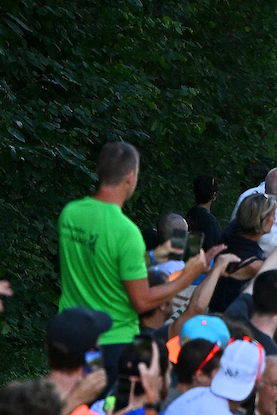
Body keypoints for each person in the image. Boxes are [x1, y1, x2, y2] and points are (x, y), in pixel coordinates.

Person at [58, 144, 211, 345]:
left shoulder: (70, 213)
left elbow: (106, 263)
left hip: (69, 332)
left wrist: (154, 256)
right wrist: (188, 276)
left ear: (99, 170)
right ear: (131, 176)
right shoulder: (126, 232)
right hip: (111, 339)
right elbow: (142, 301)